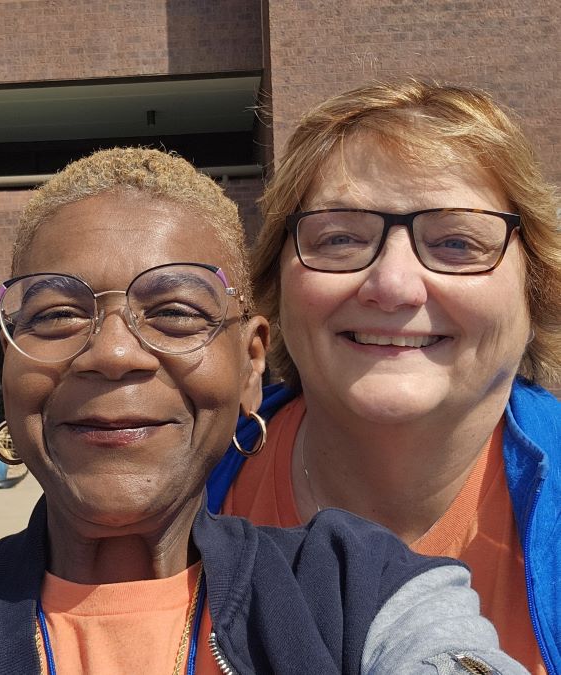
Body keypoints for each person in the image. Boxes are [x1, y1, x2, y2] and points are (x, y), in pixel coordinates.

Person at [0, 148, 524, 675]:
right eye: (53, 315)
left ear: (253, 361)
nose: (111, 352)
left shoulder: (358, 590)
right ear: (9, 363)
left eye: (176, 312)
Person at [208, 81, 560, 675]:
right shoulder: (187, 484)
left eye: (456, 241)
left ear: (536, 289)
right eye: (340, 238)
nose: (394, 286)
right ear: (278, 285)